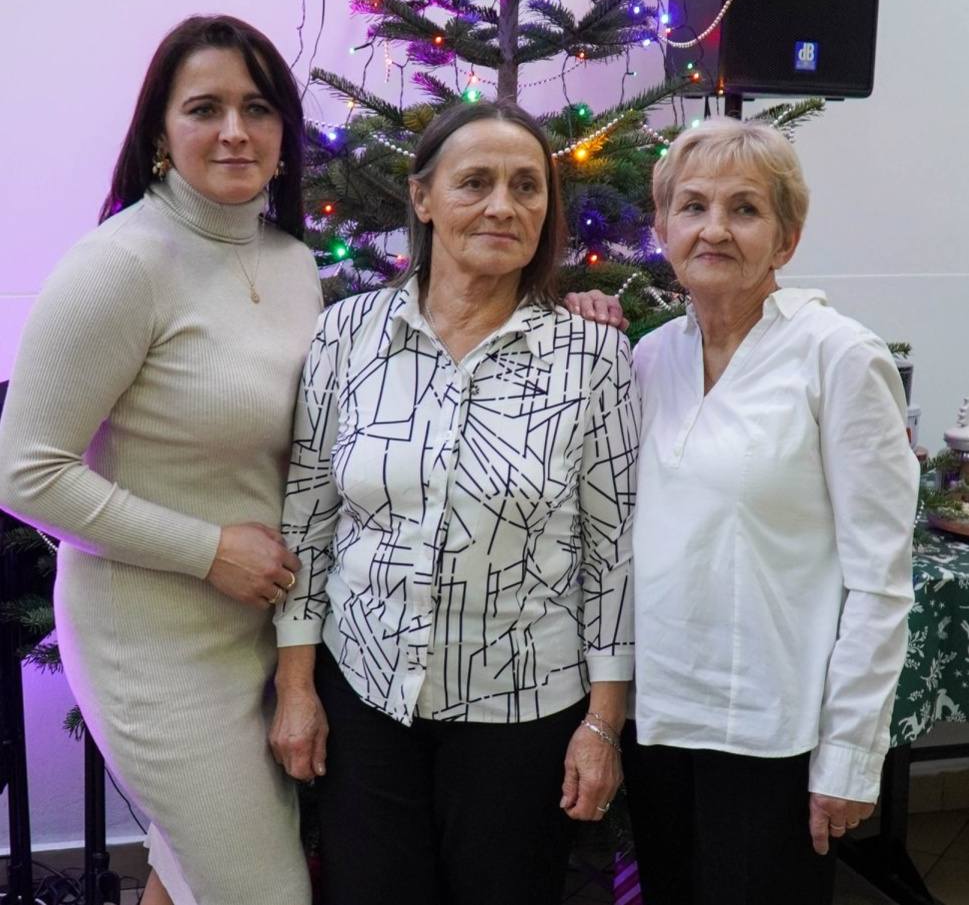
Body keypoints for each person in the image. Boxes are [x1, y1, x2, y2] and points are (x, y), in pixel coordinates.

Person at [266, 100, 640, 905]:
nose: (503, 205)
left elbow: (613, 557)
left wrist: (603, 724)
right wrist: (295, 687)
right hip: (364, 693)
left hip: (523, 708)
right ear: (423, 198)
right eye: (475, 182)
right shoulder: (346, 334)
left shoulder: (593, 358)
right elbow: (307, 520)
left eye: (526, 187)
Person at [0, 15, 323, 905]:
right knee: (264, 891)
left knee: (187, 875)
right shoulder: (119, 264)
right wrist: (208, 549)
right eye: (205, 108)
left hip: (258, 634)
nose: (235, 131)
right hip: (151, 642)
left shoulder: (294, 262)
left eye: (258, 108)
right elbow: (23, 470)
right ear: (157, 134)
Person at [566, 118, 918, 905]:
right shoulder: (648, 357)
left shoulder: (838, 357)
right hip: (658, 721)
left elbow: (878, 580)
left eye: (745, 209)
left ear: (785, 239)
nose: (714, 228)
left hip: (773, 734)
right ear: (662, 230)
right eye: (692, 206)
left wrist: (849, 754)